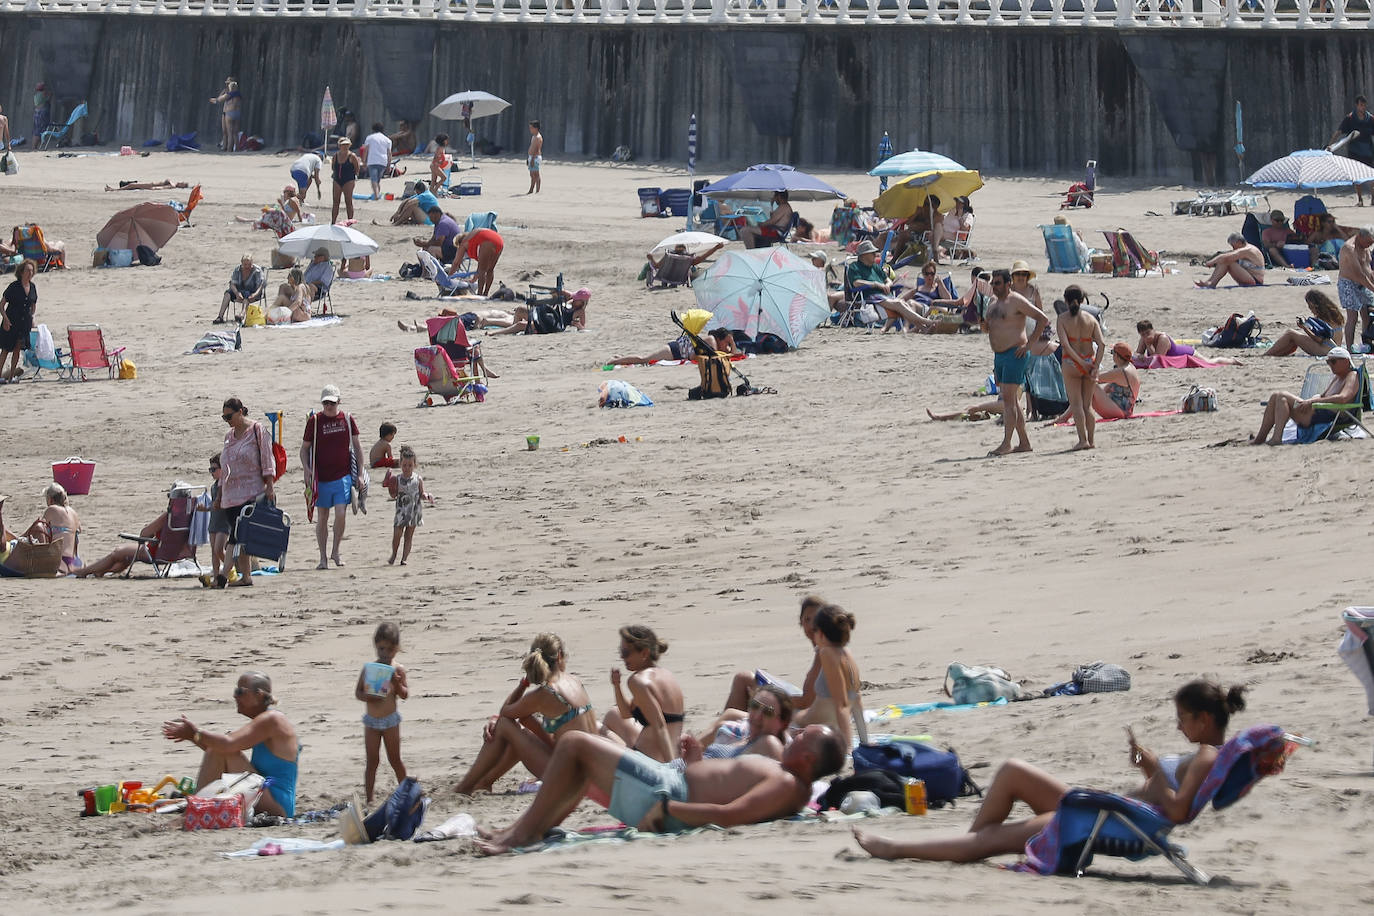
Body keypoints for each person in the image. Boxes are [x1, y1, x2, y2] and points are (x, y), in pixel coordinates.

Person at [852, 679, 1248, 864]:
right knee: (1010, 771)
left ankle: (900, 848)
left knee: (990, 837)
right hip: (1109, 812)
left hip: (1106, 820)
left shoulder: (1208, 757)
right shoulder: (1205, 755)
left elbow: (1177, 811)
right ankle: (969, 845)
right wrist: (1150, 770)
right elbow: (1168, 800)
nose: (1179, 726)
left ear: (1204, 718)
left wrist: (1155, 770)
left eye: (1183, 719)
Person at [474, 724, 845, 855]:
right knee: (581, 765)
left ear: (809, 759)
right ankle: (523, 831)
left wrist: (669, 808)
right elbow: (722, 791)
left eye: (803, 737)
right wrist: (697, 761)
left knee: (574, 744)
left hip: (669, 795)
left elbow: (731, 815)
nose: (795, 735)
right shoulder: (786, 775)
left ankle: (521, 834)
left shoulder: (787, 783)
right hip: (673, 783)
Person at [454, 633, 598, 796]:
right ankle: (485, 782)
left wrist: (524, 684)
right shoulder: (575, 681)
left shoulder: (544, 694)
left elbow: (505, 713)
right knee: (523, 729)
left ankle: (465, 786)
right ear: (559, 656)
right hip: (591, 769)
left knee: (504, 726)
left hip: (570, 776)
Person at [162, 672, 299, 817]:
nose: (235, 696)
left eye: (240, 692)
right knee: (219, 750)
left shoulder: (272, 720)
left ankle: (193, 811)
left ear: (258, 695)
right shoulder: (264, 720)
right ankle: (195, 807)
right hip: (263, 792)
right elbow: (220, 753)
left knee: (221, 749)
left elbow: (227, 745)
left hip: (277, 804)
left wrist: (197, 732)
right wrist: (192, 736)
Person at [720, 595, 825, 714]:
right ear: (801, 623)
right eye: (807, 620)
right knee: (744, 679)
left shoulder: (823, 653)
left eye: (816, 619)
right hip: (815, 712)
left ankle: (729, 729)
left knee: (735, 705)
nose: (812, 625)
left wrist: (765, 695)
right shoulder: (827, 649)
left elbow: (805, 702)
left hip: (808, 719)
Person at [984, 268, 1049, 456]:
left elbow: (1042, 319)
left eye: (997, 283)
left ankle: (1006, 443)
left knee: (1008, 401)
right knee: (1012, 400)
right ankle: (1024, 442)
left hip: (1016, 353)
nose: (993, 286)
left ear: (1007, 283)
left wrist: (1029, 345)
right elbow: (991, 327)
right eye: (992, 283)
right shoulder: (993, 302)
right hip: (1000, 355)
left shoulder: (1016, 301)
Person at [301, 384, 365, 569]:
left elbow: (358, 447)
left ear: (339, 401)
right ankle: (323, 557)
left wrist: (360, 473)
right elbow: (304, 449)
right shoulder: (314, 421)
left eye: (332, 402)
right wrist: (306, 469)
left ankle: (335, 551)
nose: (328, 406)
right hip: (321, 478)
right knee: (322, 517)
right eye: (326, 402)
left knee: (340, 513)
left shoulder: (347, 418)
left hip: (342, 476)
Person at [600, 625, 686, 763]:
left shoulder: (638, 681)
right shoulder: (666, 675)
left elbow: (659, 725)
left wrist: (673, 768)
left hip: (647, 762)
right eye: (621, 651)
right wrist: (616, 686)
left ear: (644, 653)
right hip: (672, 754)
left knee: (597, 729)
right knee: (613, 714)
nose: (622, 657)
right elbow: (626, 713)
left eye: (626, 652)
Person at [1251, 345, 1361, 445]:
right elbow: (1323, 395)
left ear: (1346, 361)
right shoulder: (1337, 377)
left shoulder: (1352, 375)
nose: (1330, 365)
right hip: (1317, 412)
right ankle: (1265, 438)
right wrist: (1313, 399)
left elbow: (1343, 398)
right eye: (1328, 362)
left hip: (1326, 417)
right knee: (1278, 398)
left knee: (1281, 395)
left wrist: (1312, 402)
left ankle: (1273, 438)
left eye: (1333, 362)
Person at [218, 397, 275, 586]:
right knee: (240, 537)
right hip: (230, 494)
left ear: (240, 411)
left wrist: (270, 485)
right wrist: (219, 493)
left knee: (237, 535)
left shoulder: (258, 430)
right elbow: (224, 467)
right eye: (224, 417)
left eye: (229, 416)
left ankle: (223, 575)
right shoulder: (228, 436)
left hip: (252, 491)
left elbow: (267, 458)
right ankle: (246, 577)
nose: (227, 420)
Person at [791, 603, 863, 748]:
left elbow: (841, 705)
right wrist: (864, 741)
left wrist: (847, 749)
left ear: (821, 634)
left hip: (804, 724)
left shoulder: (826, 653)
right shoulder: (846, 653)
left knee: (764, 709)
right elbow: (856, 699)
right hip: (827, 725)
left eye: (815, 631)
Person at [356, 622, 409, 803]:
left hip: (390, 721)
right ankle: (369, 799)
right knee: (372, 762)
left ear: (397, 649)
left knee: (395, 759)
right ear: (375, 646)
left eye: (389, 650)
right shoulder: (369, 669)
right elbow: (358, 693)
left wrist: (397, 683)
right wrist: (370, 697)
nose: (385, 654)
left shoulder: (398, 669)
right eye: (381, 649)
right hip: (372, 721)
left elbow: (405, 695)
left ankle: (405, 793)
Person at [1057, 284, 1106, 451]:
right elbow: (1102, 344)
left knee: (1076, 405)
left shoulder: (1062, 319)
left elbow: (1065, 345)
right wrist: (1095, 366)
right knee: (1087, 406)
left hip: (1072, 363)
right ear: (1083, 300)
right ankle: (1091, 441)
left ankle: (1082, 440)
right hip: (1089, 361)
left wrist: (1079, 362)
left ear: (1065, 300)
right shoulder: (1091, 319)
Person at [688, 684, 794, 762]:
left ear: (783, 723)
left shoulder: (770, 746)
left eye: (767, 712)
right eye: (754, 706)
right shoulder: (742, 736)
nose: (757, 716)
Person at [845, 240, 934, 332]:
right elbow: (856, 282)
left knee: (903, 303)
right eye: (872, 253)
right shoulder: (854, 267)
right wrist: (876, 284)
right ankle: (927, 322)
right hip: (869, 296)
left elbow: (888, 280)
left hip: (883, 295)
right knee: (899, 304)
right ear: (864, 255)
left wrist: (887, 285)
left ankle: (923, 328)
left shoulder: (875, 267)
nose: (875, 255)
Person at [1049, 341, 1141, 423]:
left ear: (1117, 356)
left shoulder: (1121, 371)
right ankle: (1072, 413)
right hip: (1124, 409)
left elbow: (1095, 378)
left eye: (1112, 353)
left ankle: (1065, 417)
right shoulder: (1130, 367)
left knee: (1089, 385)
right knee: (1089, 390)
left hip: (1121, 412)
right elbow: (1109, 387)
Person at [1263, 290, 1344, 357]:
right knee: (1294, 338)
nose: (1310, 309)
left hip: (1326, 350)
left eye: (1310, 306)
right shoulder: (1334, 315)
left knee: (1290, 333)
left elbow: (1319, 339)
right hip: (1335, 349)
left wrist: (1305, 328)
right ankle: (1275, 354)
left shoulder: (1323, 318)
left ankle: (1266, 355)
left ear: (1316, 305)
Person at [389, 445, 432, 566]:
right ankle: (394, 554)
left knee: (409, 536)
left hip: (414, 511)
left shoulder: (418, 479)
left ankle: (404, 558)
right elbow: (393, 495)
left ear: (414, 465)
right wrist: (389, 486)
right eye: (404, 465)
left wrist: (427, 496)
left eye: (410, 465)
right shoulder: (397, 479)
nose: (407, 468)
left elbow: (421, 493)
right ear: (400, 464)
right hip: (401, 512)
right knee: (397, 534)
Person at [1329, 94, 1374, 206]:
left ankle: (1373, 199)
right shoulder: (1350, 118)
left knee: (1372, 175)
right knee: (1356, 176)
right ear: (1356, 105)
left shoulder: (1371, 119)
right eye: (1361, 105)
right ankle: (1360, 200)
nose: (1362, 107)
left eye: (1364, 105)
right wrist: (1330, 145)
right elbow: (1339, 132)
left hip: (1368, 150)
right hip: (1354, 151)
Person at [605, 327, 733, 365]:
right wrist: (731, 344)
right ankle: (614, 361)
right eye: (727, 343)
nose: (727, 347)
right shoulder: (711, 340)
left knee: (645, 359)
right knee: (643, 360)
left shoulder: (713, 344)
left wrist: (731, 345)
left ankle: (620, 357)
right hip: (673, 350)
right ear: (720, 339)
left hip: (676, 352)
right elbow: (716, 356)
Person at [0, 260, 38, 382]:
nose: (30, 273)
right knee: (5, 350)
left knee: (17, 349)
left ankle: (11, 376)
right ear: (21, 272)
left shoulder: (32, 287)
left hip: (24, 323)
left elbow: (33, 305)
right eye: (27, 270)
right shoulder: (14, 287)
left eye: (32, 271)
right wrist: (5, 320)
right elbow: (1, 305)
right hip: (11, 322)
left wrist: (32, 318)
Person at [1337, 226, 1374, 348]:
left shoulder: (1366, 248)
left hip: (1364, 284)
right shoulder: (1349, 248)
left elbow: (1368, 270)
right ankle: (1349, 347)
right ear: (1360, 237)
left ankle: (1366, 344)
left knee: (1367, 314)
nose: (1369, 245)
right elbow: (1359, 274)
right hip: (1348, 283)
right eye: (1368, 242)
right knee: (1353, 316)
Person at [35, 482, 82, 575]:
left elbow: (39, 527)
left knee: (39, 527)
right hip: (73, 560)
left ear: (50, 499)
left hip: (59, 559)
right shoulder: (73, 512)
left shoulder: (51, 509)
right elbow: (79, 530)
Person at [1196, 233, 1265, 288]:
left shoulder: (1247, 249)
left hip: (1255, 280)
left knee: (1227, 260)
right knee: (1225, 260)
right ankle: (1210, 282)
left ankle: (1211, 283)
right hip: (1249, 276)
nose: (1233, 248)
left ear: (1239, 242)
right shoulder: (1244, 249)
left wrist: (1211, 262)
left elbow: (1226, 257)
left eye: (1233, 246)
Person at [216, 254, 265, 324]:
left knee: (246, 294)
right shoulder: (237, 270)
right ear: (242, 263)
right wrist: (236, 293)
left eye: (249, 264)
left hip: (253, 292)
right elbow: (232, 284)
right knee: (227, 293)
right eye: (245, 264)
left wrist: (255, 294)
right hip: (239, 291)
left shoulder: (257, 270)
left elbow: (261, 285)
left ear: (252, 263)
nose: (247, 267)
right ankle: (220, 317)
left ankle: (242, 315)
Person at [459, 226, 504, 297]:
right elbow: (481, 264)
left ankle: (480, 294)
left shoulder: (469, 242)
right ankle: (486, 292)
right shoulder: (474, 237)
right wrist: (474, 279)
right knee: (490, 270)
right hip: (499, 241)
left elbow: (481, 268)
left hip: (488, 242)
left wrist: (450, 275)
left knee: (482, 271)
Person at [931, 195, 974, 263]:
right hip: (944, 233)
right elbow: (944, 222)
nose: (957, 204)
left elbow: (965, 229)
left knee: (934, 234)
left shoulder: (968, 216)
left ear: (964, 205)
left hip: (956, 237)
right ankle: (935, 251)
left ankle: (935, 251)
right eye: (957, 202)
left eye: (960, 203)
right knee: (937, 227)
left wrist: (960, 217)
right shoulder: (952, 211)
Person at [329, 137, 362, 225]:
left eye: (347, 145)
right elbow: (333, 167)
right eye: (343, 145)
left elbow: (357, 168)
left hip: (348, 180)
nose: (345, 147)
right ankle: (333, 222)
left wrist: (353, 177)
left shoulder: (352, 156)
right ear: (339, 146)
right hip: (337, 179)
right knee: (336, 201)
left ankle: (350, 221)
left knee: (348, 201)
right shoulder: (335, 156)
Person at [360, 122, 393, 200]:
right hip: (383, 161)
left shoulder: (370, 138)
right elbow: (389, 154)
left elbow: (366, 150)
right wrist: (389, 165)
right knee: (377, 179)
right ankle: (377, 194)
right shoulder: (387, 140)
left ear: (373, 129)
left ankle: (376, 195)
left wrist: (364, 162)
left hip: (373, 161)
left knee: (373, 179)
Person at [209, 78, 242, 152]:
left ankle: (229, 149)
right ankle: (237, 149)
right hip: (237, 113)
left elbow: (219, 100)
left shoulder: (229, 94)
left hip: (229, 113)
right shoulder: (239, 94)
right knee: (235, 133)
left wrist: (213, 100)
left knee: (229, 133)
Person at [31, 82, 52, 152]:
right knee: (39, 131)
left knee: (37, 131)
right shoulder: (43, 94)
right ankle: (35, 147)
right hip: (41, 114)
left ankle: (36, 147)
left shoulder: (36, 95)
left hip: (36, 113)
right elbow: (49, 96)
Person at [526, 120, 543, 194]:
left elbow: (537, 149)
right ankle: (532, 189)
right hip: (531, 157)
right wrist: (528, 158)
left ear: (536, 128)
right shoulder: (534, 136)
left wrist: (532, 159)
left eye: (531, 128)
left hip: (535, 157)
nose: (530, 129)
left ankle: (536, 190)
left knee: (536, 174)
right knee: (532, 174)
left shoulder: (538, 137)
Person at [104, 179, 190, 192]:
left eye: (183, 183)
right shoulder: (173, 184)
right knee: (132, 185)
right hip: (150, 186)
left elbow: (168, 181)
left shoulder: (173, 185)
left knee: (132, 185)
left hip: (151, 187)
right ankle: (113, 189)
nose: (181, 182)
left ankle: (113, 190)